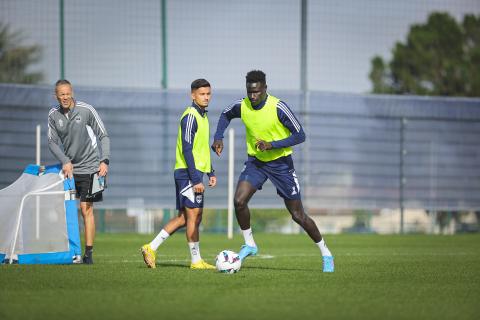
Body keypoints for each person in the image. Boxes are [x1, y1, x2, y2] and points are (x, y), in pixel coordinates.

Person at [211, 70, 334, 272]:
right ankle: (249, 244)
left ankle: (326, 253)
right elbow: (226, 114)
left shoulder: (278, 107)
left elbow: (300, 135)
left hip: (281, 165)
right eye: (250, 92)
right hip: (256, 163)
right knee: (239, 201)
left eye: (257, 92)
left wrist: (272, 145)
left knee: (298, 215)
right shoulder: (242, 105)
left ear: (265, 89)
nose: (253, 96)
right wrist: (218, 137)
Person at [141, 79, 217, 270]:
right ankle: (195, 261)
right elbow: (187, 149)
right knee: (193, 215)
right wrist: (196, 179)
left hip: (194, 173)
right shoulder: (190, 116)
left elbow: (202, 150)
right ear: (193, 95)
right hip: (188, 174)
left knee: (185, 217)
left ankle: (151, 247)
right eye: (202, 94)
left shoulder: (203, 116)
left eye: (208, 93)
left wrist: (210, 172)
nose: (206, 97)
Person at [48, 79, 110, 264]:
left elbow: (103, 135)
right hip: (69, 171)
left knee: (86, 209)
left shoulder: (86, 110)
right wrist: (65, 161)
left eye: (68, 93)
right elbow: (51, 142)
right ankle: (69, 251)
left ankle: (88, 254)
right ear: (56, 96)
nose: (65, 97)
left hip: (93, 169)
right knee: (66, 211)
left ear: (72, 92)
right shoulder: (53, 115)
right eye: (61, 94)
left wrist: (104, 161)